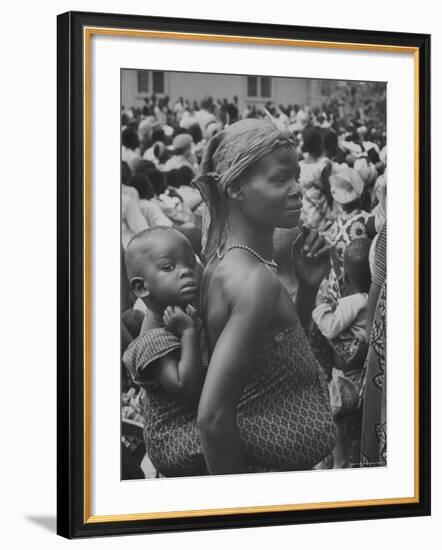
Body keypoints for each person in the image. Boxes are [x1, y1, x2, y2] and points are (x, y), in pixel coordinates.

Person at [194, 119, 336, 474]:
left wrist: (306, 289)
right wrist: (241, 513)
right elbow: (212, 418)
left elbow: (272, 360)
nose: (297, 191)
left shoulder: (223, 263)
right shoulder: (254, 280)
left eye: (296, 177)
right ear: (236, 188)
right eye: (279, 180)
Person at [123, 227, 207, 476]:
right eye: (169, 267)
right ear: (141, 288)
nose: (186, 272)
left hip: (189, 425)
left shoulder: (180, 313)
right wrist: (189, 334)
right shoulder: (152, 340)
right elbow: (184, 386)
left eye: (190, 264)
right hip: (175, 441)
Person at [312, 238, 371, 468]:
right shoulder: (367, 300)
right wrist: (336, 261)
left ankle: (340, 461)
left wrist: (320, 306)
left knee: (333, 415)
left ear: (347, 278)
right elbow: (343, 275)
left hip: (346, 380)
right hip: (360, 377)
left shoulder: (354, 301)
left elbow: (330, 326)